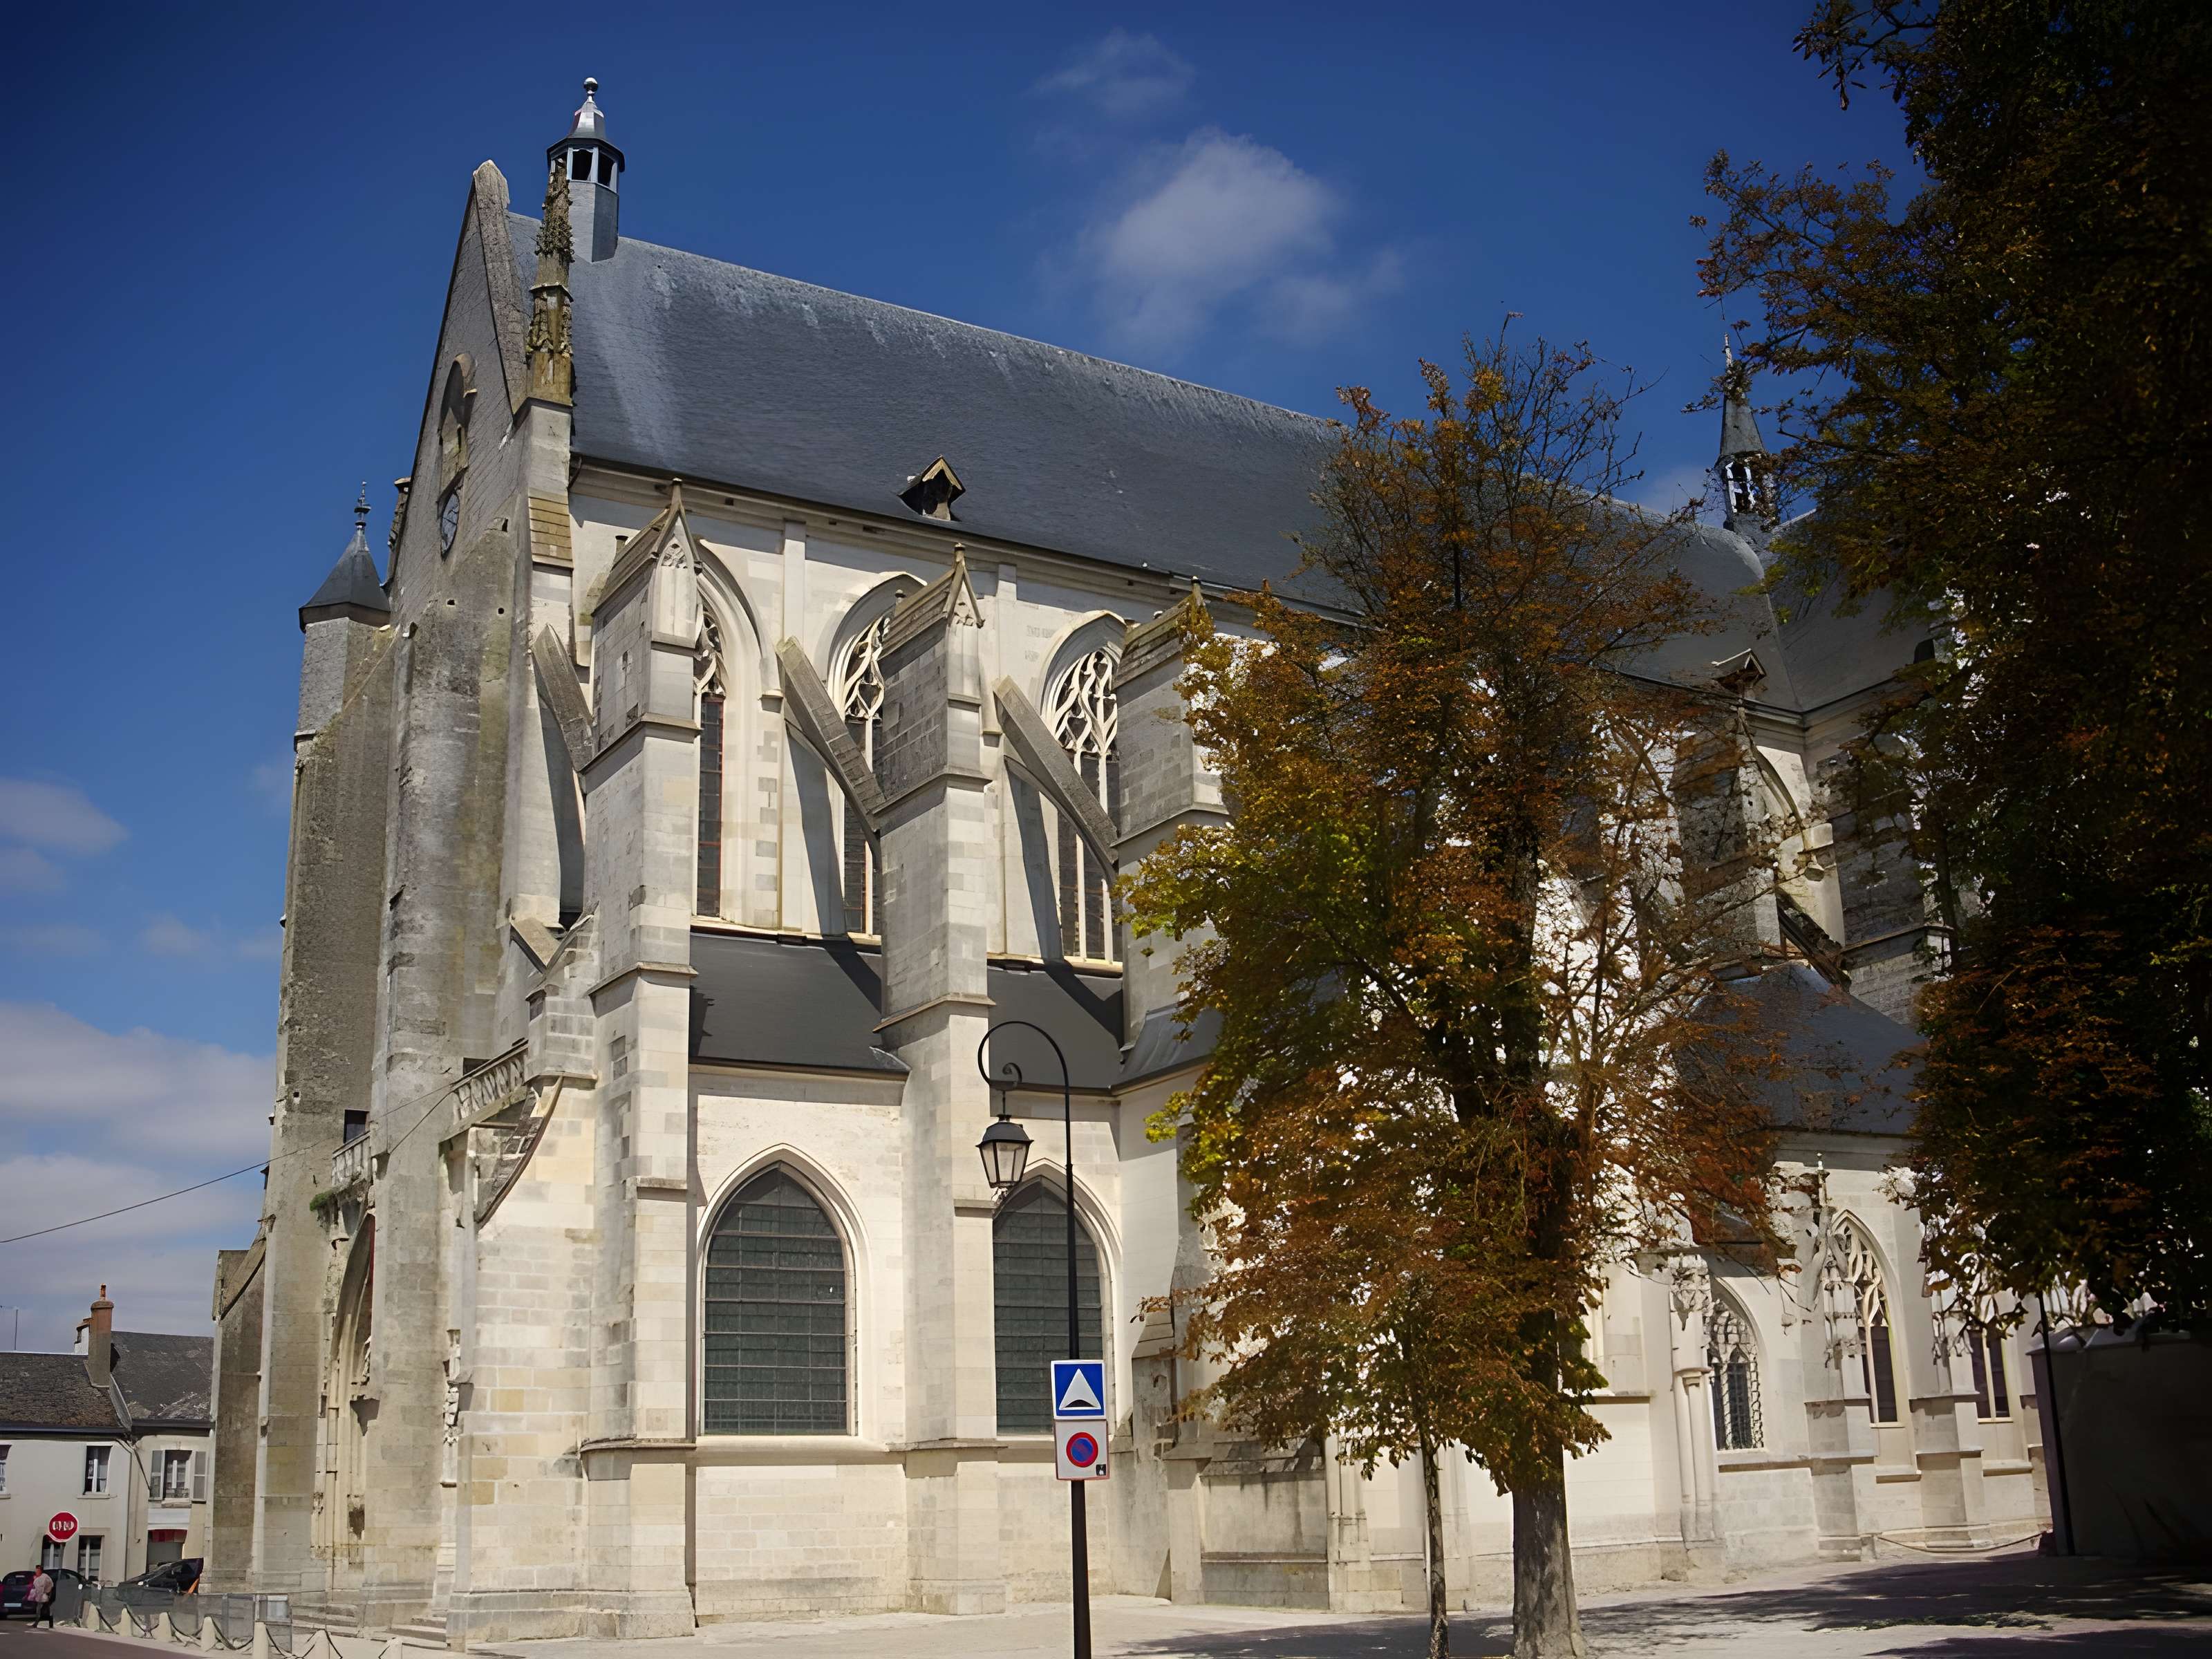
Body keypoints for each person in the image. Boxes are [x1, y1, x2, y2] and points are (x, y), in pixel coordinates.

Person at [26, 1564, 54, 1629]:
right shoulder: (39, 1578)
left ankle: (40, 1623)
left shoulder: (44, 1577)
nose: (36, 1572)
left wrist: (46, 1595)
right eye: (36, 1570)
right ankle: (39, 1623)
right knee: (43, 1610)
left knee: (42, 1610)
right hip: (43, 1596)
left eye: (38, 1570)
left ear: (41, 1571)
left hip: (44, 1596)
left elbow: (42, 1589)